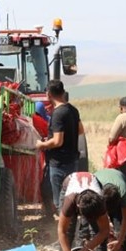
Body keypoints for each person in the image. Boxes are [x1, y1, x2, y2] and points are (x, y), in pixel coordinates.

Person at [55, 172, 110, 251]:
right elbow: (62, 231)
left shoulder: (99, 202)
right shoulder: (69, 202)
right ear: (78, 207)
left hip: (92, 190)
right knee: (69, 231)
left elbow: (104, 230)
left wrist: (85, 250)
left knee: (96, 230)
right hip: (69, 183)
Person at [37, 80, 81, 210]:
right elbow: (80, 130)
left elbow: (57, 141)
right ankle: (68, 225)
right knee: (70, 196)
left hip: (59, 163)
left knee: (60, 201)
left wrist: (42, 144)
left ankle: (62, 228)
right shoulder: (73, 110)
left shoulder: (58, 113)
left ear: (49, 94)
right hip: (72, 160)